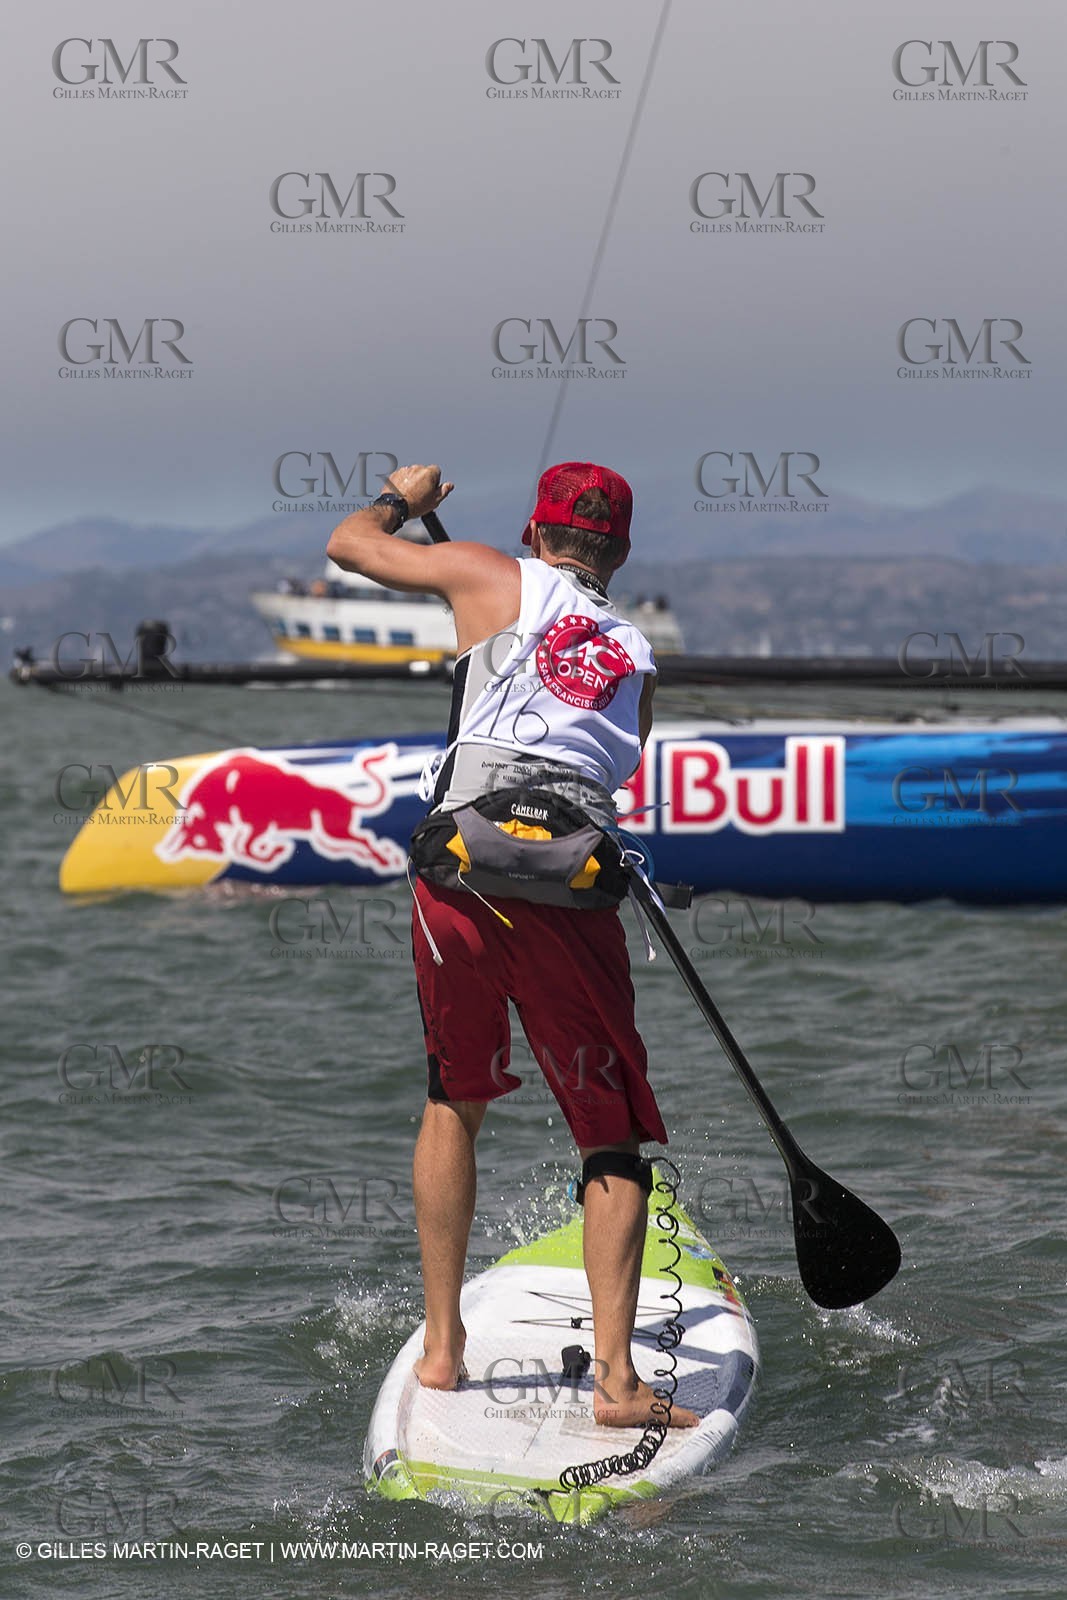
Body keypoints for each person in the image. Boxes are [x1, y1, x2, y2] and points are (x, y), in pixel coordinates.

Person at [326, 462, 697, 1431]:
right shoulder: (635, 651)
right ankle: (616, 1384)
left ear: (536, 534)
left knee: (455, 1097)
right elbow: (611, 767)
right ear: (618, 552)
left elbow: (348, 547)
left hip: (457, 880)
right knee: (608, 1136)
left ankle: (443, 1350)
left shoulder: (487, 572)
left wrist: (403, 499)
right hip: (568, 897)